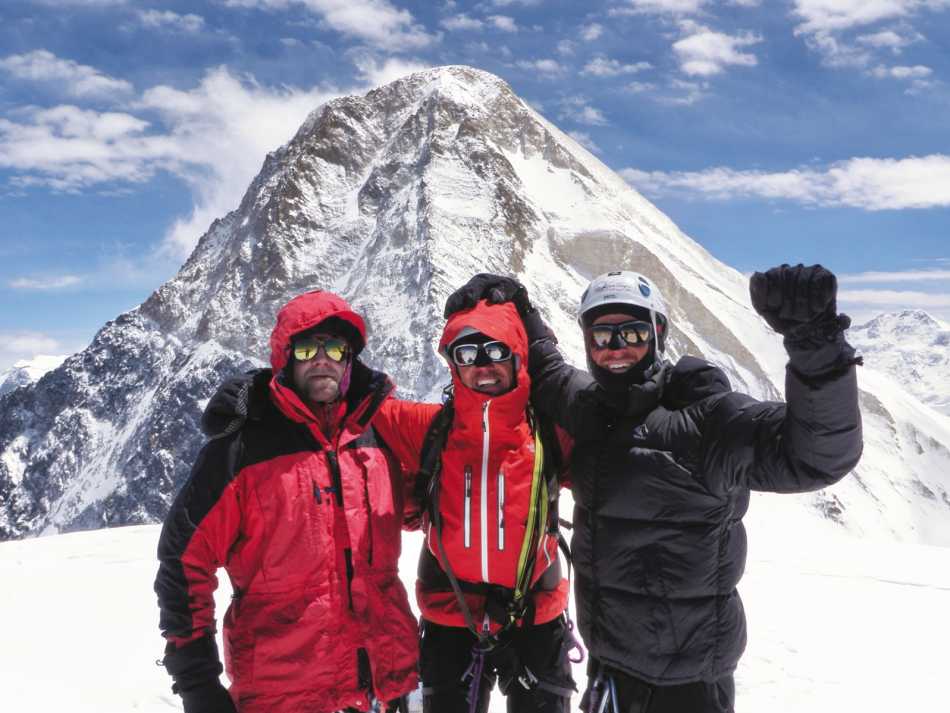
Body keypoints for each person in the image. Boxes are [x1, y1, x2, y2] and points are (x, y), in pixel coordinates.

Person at [445, 265, 863, 713]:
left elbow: (816, 457)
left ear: (658, 335)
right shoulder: (591, 408)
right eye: (601, 336)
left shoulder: (707, 422)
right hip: (609, 672)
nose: (616, 349)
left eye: (633, 333)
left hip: (689, 686)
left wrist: (816, 344)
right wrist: (519, 305)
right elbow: (548, 371)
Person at [204, 299, 580, 713]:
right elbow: (347, 406)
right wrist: (261, 394)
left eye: (496, 351)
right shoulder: (431, 428)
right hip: (451, 617)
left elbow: (605, 423)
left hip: (535, 613)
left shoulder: (549, 433)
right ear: (453, 364)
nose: (482, 365)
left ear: (517, 357)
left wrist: (538, 335)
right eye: (467, 354)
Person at [154, 289, 419, 713]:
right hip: (285, 696)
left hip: (387, 684)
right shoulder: (242, 450)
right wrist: (197, 680)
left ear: (350, 359)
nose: (322, 359)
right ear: (285, 357)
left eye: (336, 348)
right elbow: (183, 561)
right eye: (307, 348)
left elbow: (425, 510)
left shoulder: (377, 436)